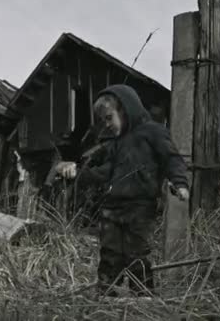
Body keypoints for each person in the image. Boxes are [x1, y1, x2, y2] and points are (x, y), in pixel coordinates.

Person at [54, 84, 189, 297]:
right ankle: (107, 298)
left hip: (140, 206)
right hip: (111, 207)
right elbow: (100, 172)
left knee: (137, 254)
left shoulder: (152, 132)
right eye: (104, 120)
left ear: (125, 110)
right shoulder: (114, 145)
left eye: (109, 118)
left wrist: (179, 182)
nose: (106, 125)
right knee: (109, 254)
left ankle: (142, 298)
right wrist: (74, 171)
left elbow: (171, 158)